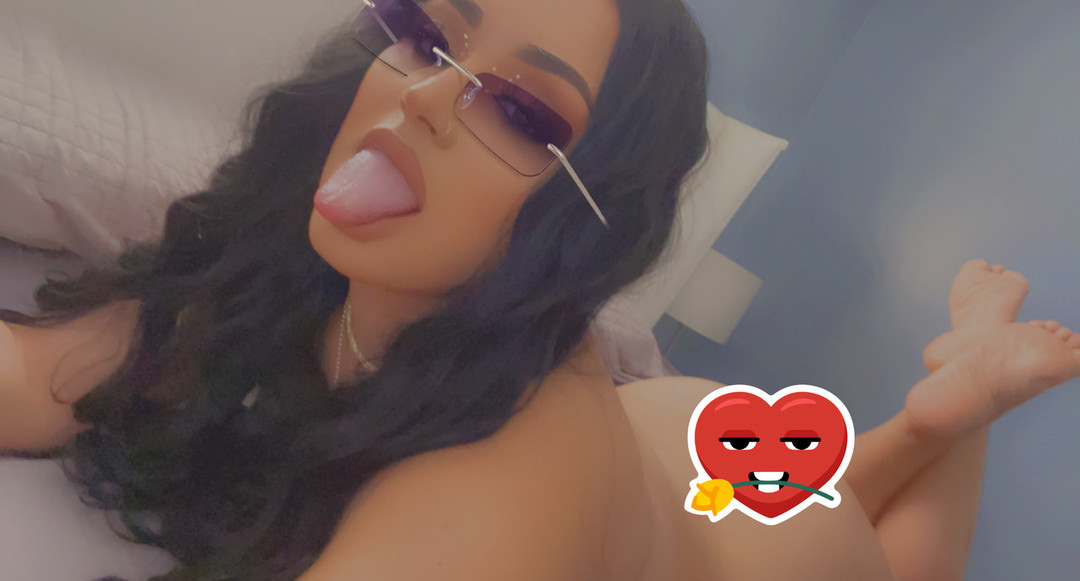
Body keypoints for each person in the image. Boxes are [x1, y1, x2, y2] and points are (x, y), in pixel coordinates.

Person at [1, 0, 1077, 579]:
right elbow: (51, 370)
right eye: (432, 37)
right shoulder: (283, 274)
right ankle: (932, 412)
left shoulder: (496, 496)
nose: (427, 97)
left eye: (520, 114)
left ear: (584, 214)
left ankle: (963, 397)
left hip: (775, 552)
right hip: (682, 434)